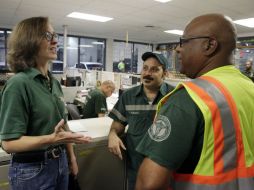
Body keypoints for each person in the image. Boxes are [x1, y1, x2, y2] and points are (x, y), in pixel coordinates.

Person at [135, 14, 254, 190]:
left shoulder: (188, 99)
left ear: (209, 45)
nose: (177, 49)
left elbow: (149, 184)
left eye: (184, 42)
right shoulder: (248, 86)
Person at [0, 17, 92, 190]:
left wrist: (71, 158)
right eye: (48, 35)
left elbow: (63, 127)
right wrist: (50, 139)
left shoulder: (53, 82)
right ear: (29, 41)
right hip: (32, 171)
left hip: (61, 163)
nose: (56, 41)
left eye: (55, 35)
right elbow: (9, 143)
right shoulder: (19, 84)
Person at [108, 51, 174, 190]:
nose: (147, 73)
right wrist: (112, 135)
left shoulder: (174, 96)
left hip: (166, 171)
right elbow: (117, 126)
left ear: (165, 73)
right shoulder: (128, 96)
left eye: (154, 69)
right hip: (136, 169)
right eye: (145, 68)